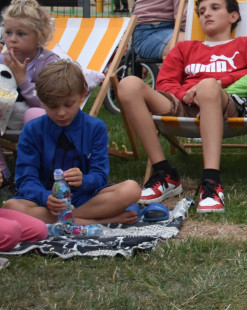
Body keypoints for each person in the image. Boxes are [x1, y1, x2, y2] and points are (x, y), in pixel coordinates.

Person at [118, 0, 247, 214]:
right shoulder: (185, 48)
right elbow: (165, 83)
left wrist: (215, 83)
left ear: (233, 16)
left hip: (225, 104)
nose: (206, 14)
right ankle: (164, 173)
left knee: (208, 86)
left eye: (215, 8)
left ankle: (211, 182)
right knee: (128, 85)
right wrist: (186, 94)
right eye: (201, 11)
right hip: (183, 104)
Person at [2, 61, 142, 227]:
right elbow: (26, 179)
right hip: (47, 200)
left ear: (82, 95)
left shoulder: (95, 127)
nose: (61, 113)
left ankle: (69, 218)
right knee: (10, 207)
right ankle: (98, 219)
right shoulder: (32, 130)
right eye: (53, 107)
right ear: (41, 102)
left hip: (85, 197)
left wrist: (84, 180)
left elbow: (99, 175)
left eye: (68, 105)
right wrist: (45, 197)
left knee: (132, 189)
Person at [0, 0, 61, 190]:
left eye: (20, 33)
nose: (12, 39)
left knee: (34, 114)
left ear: (39, 36)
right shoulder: (3, 58)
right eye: (8, 32)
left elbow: (49, 103)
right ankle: (3, 174)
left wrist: (22, 79)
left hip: (39, 120)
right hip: (4, 116)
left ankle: (30, 174)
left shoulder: (48, 62)